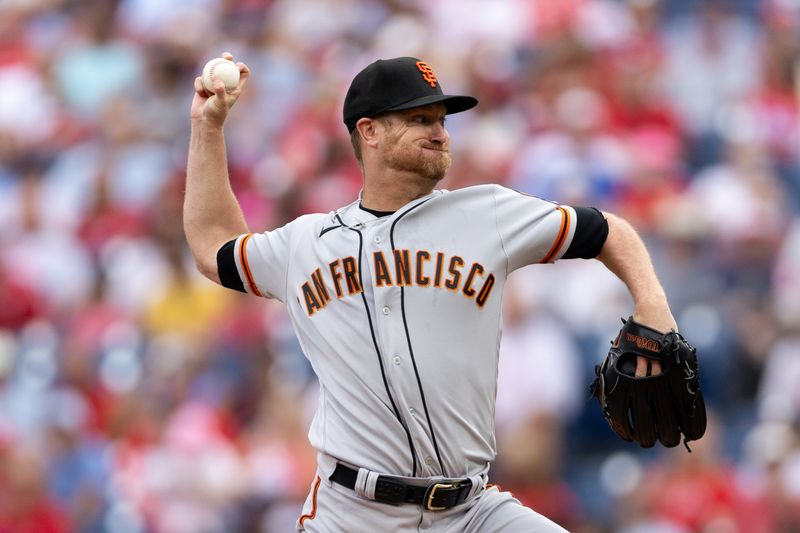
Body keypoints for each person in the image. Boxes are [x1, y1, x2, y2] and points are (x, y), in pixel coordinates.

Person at [184, 53, 677, 532]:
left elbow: (608, 231)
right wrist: (208, 128)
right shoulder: (304, 244)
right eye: (420, 119)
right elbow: (214, 248)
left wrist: (652, 302)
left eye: (442, 119)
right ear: (369, 131)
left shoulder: (488, 213)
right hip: (352, 513)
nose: (439, 132)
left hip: (472, 510)